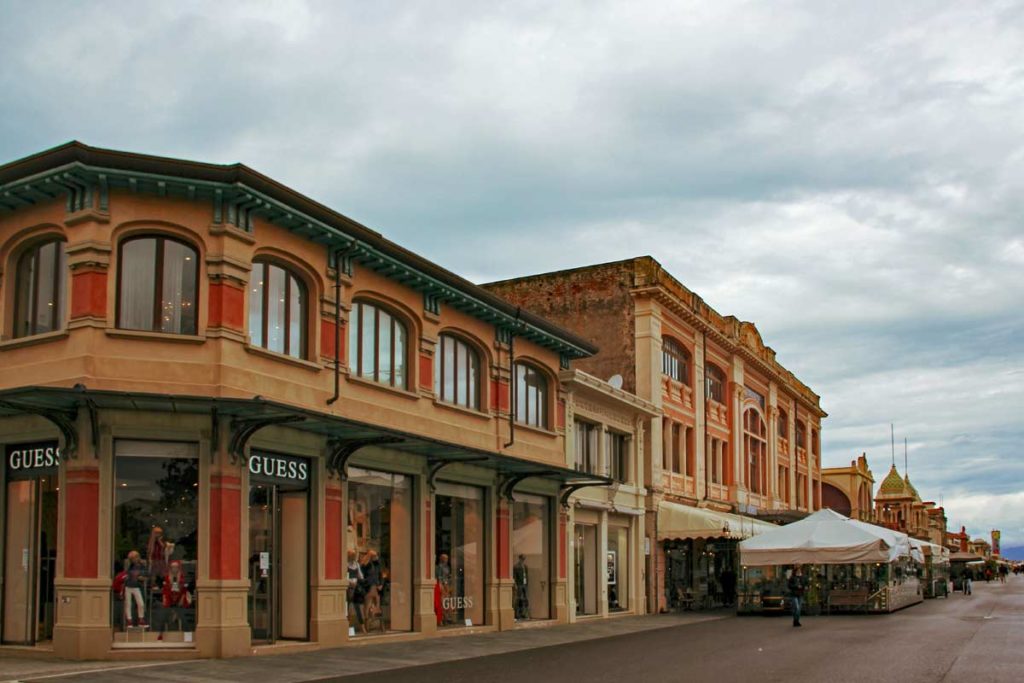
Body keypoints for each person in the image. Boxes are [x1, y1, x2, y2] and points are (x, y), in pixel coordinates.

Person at [122, 550, 148, 628]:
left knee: (141, 604)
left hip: (137, 586)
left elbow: (146, 576)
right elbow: (126, 574)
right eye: (133, 558)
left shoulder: (142, 566)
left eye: (136, 557)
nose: (135, 559)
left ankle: (141, 619)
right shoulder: (130, 565)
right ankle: (129, 620)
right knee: (128, 604)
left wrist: (142, 578)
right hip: (128, 586)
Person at [346, 550, 365, 633]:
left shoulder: (357, 564)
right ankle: (347, 628)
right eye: (352, 555)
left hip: (356, 588)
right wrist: (350, 581)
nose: (353, 556)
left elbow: (361, 576)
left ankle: (363, 628)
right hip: (348, 588)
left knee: (357, 608)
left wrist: (357, 580)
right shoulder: (345, 564)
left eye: (354, 555)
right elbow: (344, 576)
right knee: (348, 609)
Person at [513, 554, 529, 619]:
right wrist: (515, 584)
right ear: (519, 559)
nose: (523, 560)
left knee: (524, 599)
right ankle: (517, 614)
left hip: (524, 584)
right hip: (519, 584)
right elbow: (514, 577)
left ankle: (524, 613)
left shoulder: (525, 566)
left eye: (524, 559)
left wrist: (527, 583)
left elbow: (526, 576)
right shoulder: (516, 567)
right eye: (522, 559)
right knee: (518, 599)